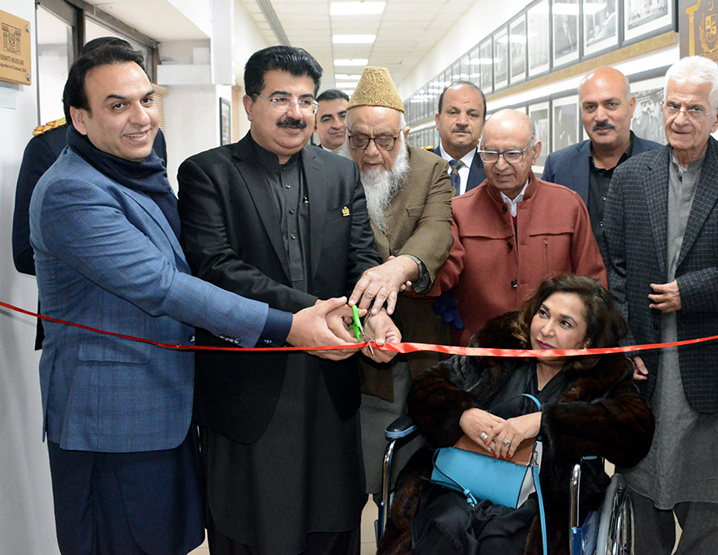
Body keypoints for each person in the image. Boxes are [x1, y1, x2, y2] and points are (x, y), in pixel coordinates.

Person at [30, 44, 359, 555]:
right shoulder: (74, 190)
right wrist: (290, 325)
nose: (141, 118)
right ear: (80, 117)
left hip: (166, 409)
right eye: (118, 105)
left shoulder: (134, 176)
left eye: (147, 99)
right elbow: (165, 286)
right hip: (112, 423)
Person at [177, 47, 400, 555]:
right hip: (251, 395)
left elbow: (363, 260)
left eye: (305, 99)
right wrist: (319, 311)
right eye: (280, 97)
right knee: (254, 532)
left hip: (330, 390)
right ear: (250, 103)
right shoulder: (207, 174)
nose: (295, 112)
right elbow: (216, 268)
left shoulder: (340, 174)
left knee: (333, 529)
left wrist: (375, 316)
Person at [602, 56, 718, 555]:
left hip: (717, 370)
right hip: (646, 367)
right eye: (672, 105)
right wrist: (623, 342)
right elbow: (613, 267)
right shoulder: (630, 177)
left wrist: (694, 290)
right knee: (644, 489)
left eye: (694, 109)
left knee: (709, 503)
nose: (680, 119)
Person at [378, 275, 655, 555]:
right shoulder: (500, 345)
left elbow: (635, 429)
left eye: (565, 323)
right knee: (443, 528)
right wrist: (463, 415)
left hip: (543, 499)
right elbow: (426, 388)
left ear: (586, 342)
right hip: (459, 483)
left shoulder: (604, 373)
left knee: (501, 543)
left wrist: (544, 422)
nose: (545, 330)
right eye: (543, 314)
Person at [339, 66, 454, 495]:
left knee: (420, 476)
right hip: (358, 351)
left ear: (403, 134)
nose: (371, 152)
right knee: (370, 474)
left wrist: (398, 267)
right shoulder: (327, 173)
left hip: (421, 342)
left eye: (384, 140)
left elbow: (438, 229)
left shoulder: (429, 169)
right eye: (359, 139)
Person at [12, 36, 168, 350]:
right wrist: (112, 258)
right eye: (117, 103)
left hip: (160, 317)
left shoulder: (151, 135)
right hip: (87, 323)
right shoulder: (47, 146)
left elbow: (158, 209)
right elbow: (24, 252)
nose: (138, 116)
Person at [431, 109, 606, 346]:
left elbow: (592, 284)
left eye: (513, 154)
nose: (500, 165)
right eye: (490, 154)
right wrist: (410, 270)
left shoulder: (568, 205)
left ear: (535, 152)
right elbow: (442, 273)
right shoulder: (458, 211)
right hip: (481, 355)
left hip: (551, 354)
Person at [542, 66, 660, 245]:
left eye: (611, 104)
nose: (600, 116)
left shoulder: (661, 162)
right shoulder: (558, 166)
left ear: (632, 106)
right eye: (590, 107)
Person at [433, 81, 486, 195]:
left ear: (483, 125)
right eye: (453, 112)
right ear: (437, 121)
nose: (462, 122)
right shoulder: (418, 169)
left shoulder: (494, 171)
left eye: (472, 115)